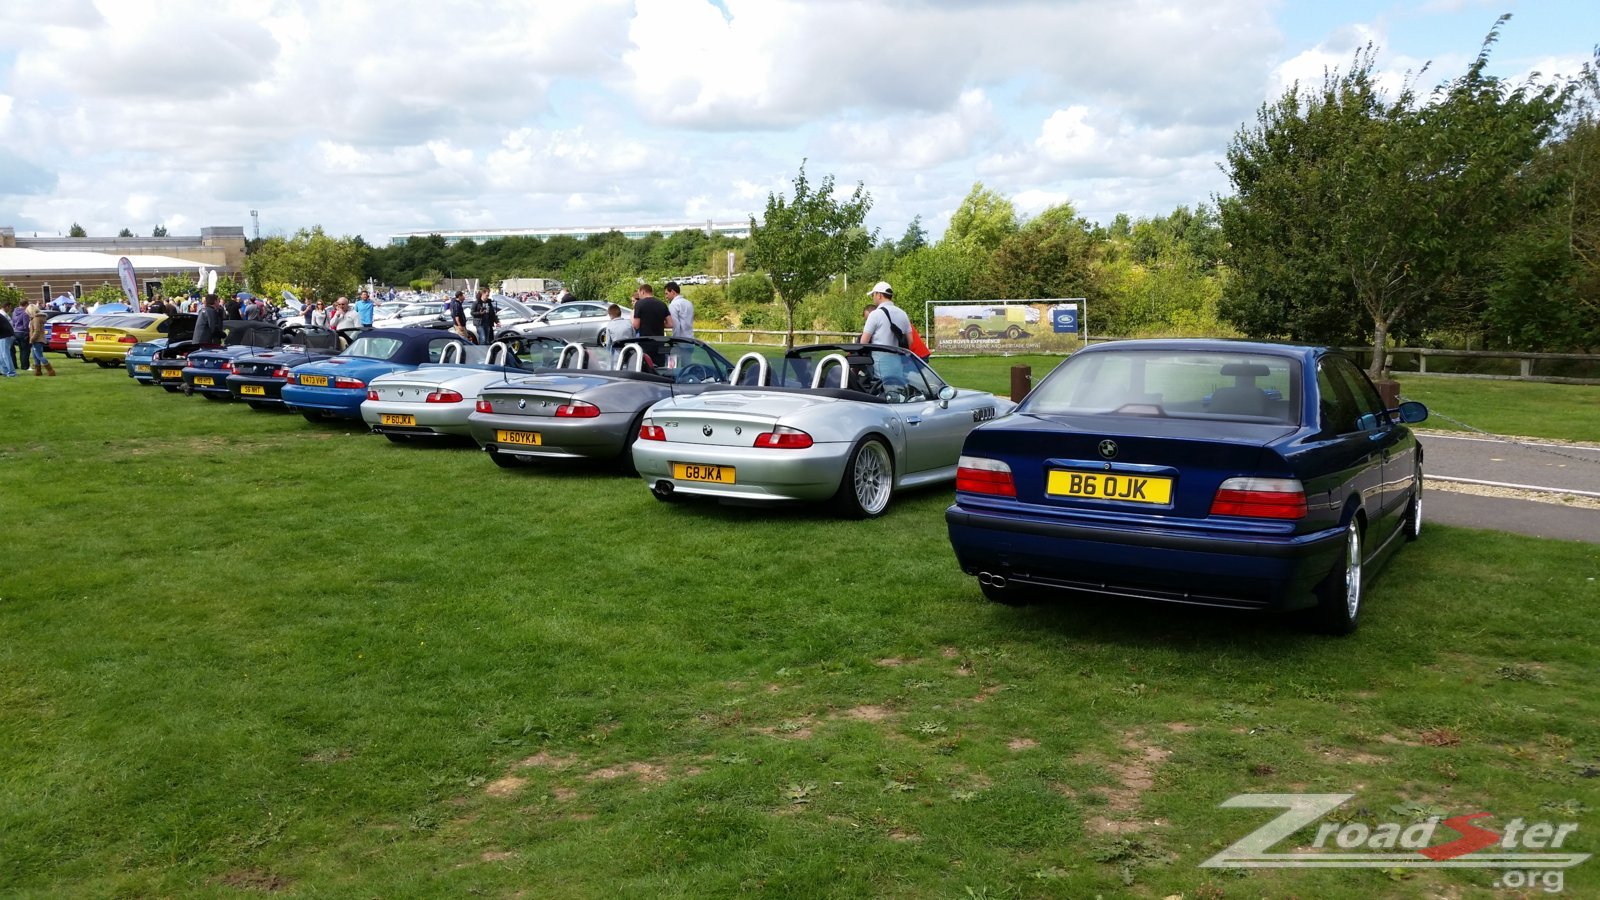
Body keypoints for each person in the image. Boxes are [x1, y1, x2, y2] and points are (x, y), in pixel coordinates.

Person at [860, 281, 912, 349]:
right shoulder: (903, 314)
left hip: (879, 358)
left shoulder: (875, 314)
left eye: (873, 295)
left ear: (879, 295)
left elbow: (863, 342)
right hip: (897, 358)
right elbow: (910, 341)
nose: (872, 298)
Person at [26, 300, 54, 375]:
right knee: (35, 356)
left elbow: (37, 330)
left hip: (37, 340)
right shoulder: (39, 318)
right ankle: (38, 371)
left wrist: (32, 339)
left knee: (39, 356)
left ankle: (50, 370)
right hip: (38, 339)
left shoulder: (36, 319)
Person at [9, 300, 27, 372]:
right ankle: (24, 366)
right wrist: (27, 332)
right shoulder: (24, 313)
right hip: (22, 332)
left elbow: (13, 322)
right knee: (24, 350)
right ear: (25, 305)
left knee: (13, 350)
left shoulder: (14, 312)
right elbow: (25, 325)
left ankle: (14, 365)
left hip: (15, 331)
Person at [0, 300, 16, 377]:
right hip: (5, 334)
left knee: (5, 354)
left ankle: (11, 372)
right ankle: (5, 371)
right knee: (2, 354)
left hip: (5, 335)